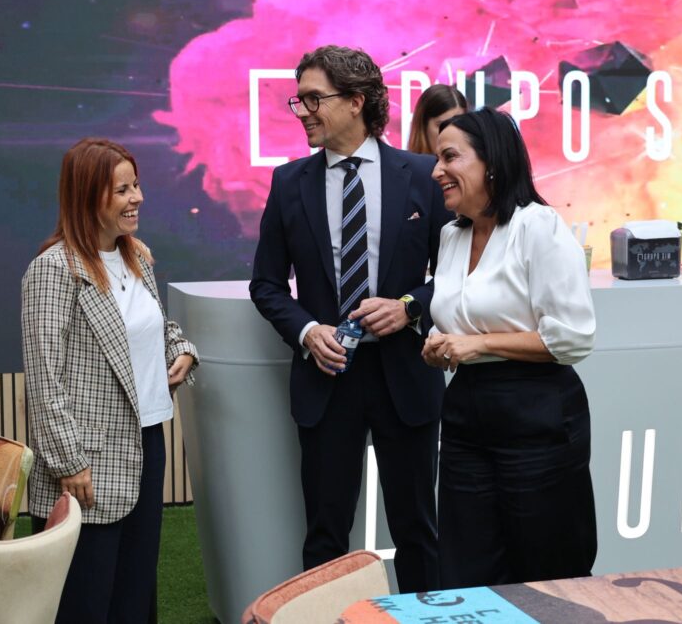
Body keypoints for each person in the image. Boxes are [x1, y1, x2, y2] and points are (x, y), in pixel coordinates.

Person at [249, 45, 450, 592]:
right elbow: (266, 284)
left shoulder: (423, 175)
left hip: (406, 376)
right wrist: (307, 331)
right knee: (325, 535)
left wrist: (408, 307)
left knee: (417, 530)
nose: (302, 111)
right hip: (326, 378)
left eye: (314, 99)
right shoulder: (289, 182)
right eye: (298, 100)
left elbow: (455, 276)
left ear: (356, 101)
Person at [21, 138, 198, 623]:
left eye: (135, 185)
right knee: (85, 599)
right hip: (85, 460)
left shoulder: (135, 256)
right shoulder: (52, 271)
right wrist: (68, 462)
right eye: (122, 190)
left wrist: (181, 350)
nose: (137, 197)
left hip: (147, 443)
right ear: (87, 196)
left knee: (134, 594)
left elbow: (152, 327)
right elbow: (44, 379)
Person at [422, 107, 598, 588]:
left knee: (546, 570)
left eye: (450, 157)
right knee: (465, 566)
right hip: (465, 412)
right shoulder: (451, 235)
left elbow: (574, 335)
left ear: (492, 163)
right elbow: (462, 320)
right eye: (437, 158)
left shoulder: (538, 226)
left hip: (536, 411)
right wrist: (441, 345)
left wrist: (477, 344)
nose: (436, 171)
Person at [407, 84, 469, 155]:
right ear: (423, 127)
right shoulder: (405, 161)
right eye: (442, 126)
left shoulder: (475, 160)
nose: (451, 133)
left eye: (459, 125)